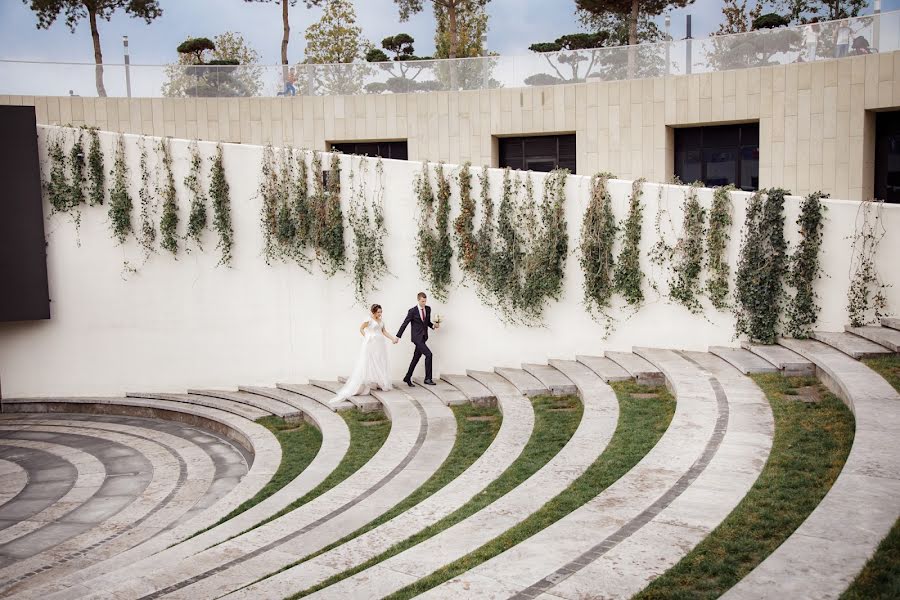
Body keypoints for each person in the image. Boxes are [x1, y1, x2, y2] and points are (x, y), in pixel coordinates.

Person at [329, 304, 398, 405]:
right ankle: (366, 383)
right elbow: (361, 329)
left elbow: (384, 331)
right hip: (371, 344)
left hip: (380, 345)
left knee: (379, 362)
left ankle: (379, 382)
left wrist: (392, 338)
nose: (380, 313)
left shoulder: (381, 321)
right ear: (374, 312)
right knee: (370, 362)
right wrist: (367, 337)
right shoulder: (369, 320)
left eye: (381, 312)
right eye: (378, 312)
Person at [397, 292, 440, 387]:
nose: (424, 303)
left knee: (416, 358)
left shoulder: (428, 309)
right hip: (416, 338)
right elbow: (405, 323)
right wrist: (397, 336)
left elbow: (427, 322)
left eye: (425, 301)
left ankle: (407, 377)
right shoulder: (412, 311)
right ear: (418, 300)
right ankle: (428, 379)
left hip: (424, 337)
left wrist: (433, 326)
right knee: (429, 354)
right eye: (422, 301)